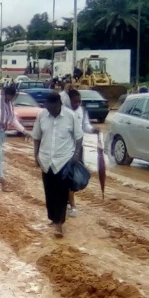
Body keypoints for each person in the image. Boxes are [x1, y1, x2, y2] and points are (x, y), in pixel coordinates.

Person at [31, 93, 83, 238]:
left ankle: (59, 224)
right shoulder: (42, 115)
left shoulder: (70, 116)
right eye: (48, 108)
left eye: (52, 108)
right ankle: (54, 218)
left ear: (59, 104)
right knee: (49, 192)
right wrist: (35, 156)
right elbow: (36, 137)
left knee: (61, 193)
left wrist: (76, 154)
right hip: (46, 160)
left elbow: (79, 137)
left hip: (64, 160)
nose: (50, 111)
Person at [66, 89, 99, 217]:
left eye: (79, 101)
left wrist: (93, 130)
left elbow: (85, 126)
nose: (78, 104)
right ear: (69, 101)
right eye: (75, 101)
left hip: (78, 148)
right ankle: (71, 204)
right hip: (65, 149)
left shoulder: (82, 111)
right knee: (67, 176)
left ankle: (69, 201)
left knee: (77, 176)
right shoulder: (63, 112)